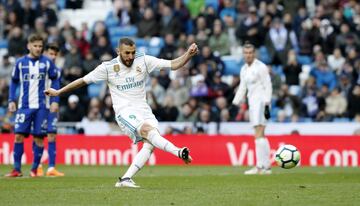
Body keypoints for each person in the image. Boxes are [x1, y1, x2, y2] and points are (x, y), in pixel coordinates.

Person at [44, 37, 198, 188]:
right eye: (126, 53)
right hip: (124, 111)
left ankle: (125, 179)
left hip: (144, 110)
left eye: (132, 52)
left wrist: (188, 54)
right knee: (148, 131)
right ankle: (178, 151)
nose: (130, 56)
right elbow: (83, 81)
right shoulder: (108, 67)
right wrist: (59, 92)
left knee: (150, 144)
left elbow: (173, 64)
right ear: (118, 51)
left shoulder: (143, 60)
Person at [6, 34, 59, 177]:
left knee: (39, 138)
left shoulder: (47, 63)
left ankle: (35, 169)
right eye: (35, 46)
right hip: (24, 106)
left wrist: (55, 100)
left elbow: (55, 80)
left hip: (42, 107)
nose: (38, 49)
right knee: (18, 136)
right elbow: (14, 82)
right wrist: (11, 100)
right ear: (29, 46)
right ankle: (17, 169)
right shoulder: (20, 63)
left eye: (40, 46)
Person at [232, 42, 272, 175]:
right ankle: (266, 167)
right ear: (243, 54)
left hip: (262, 102)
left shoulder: (261, 67)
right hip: (252, 103)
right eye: (246, 53)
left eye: (250, 53)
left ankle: (261, 166)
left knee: (259, 134)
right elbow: (243, 87)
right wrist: (235, 102)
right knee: (260, 135)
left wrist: (267, 103)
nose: (248, 55)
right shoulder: (244, 69)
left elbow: (268, 85)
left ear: (254, 54)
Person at [37, 43, 65, 177]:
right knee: (39, 136)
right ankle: (37, 166)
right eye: (50, 54)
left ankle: (51, 168)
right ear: (45, 53)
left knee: (52, 135)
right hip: (38, 107)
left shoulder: (57, 71)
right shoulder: (38, 68)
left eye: (55, 54)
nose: (53, 57)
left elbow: (57, 88)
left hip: (51, 107)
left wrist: (55, 102)